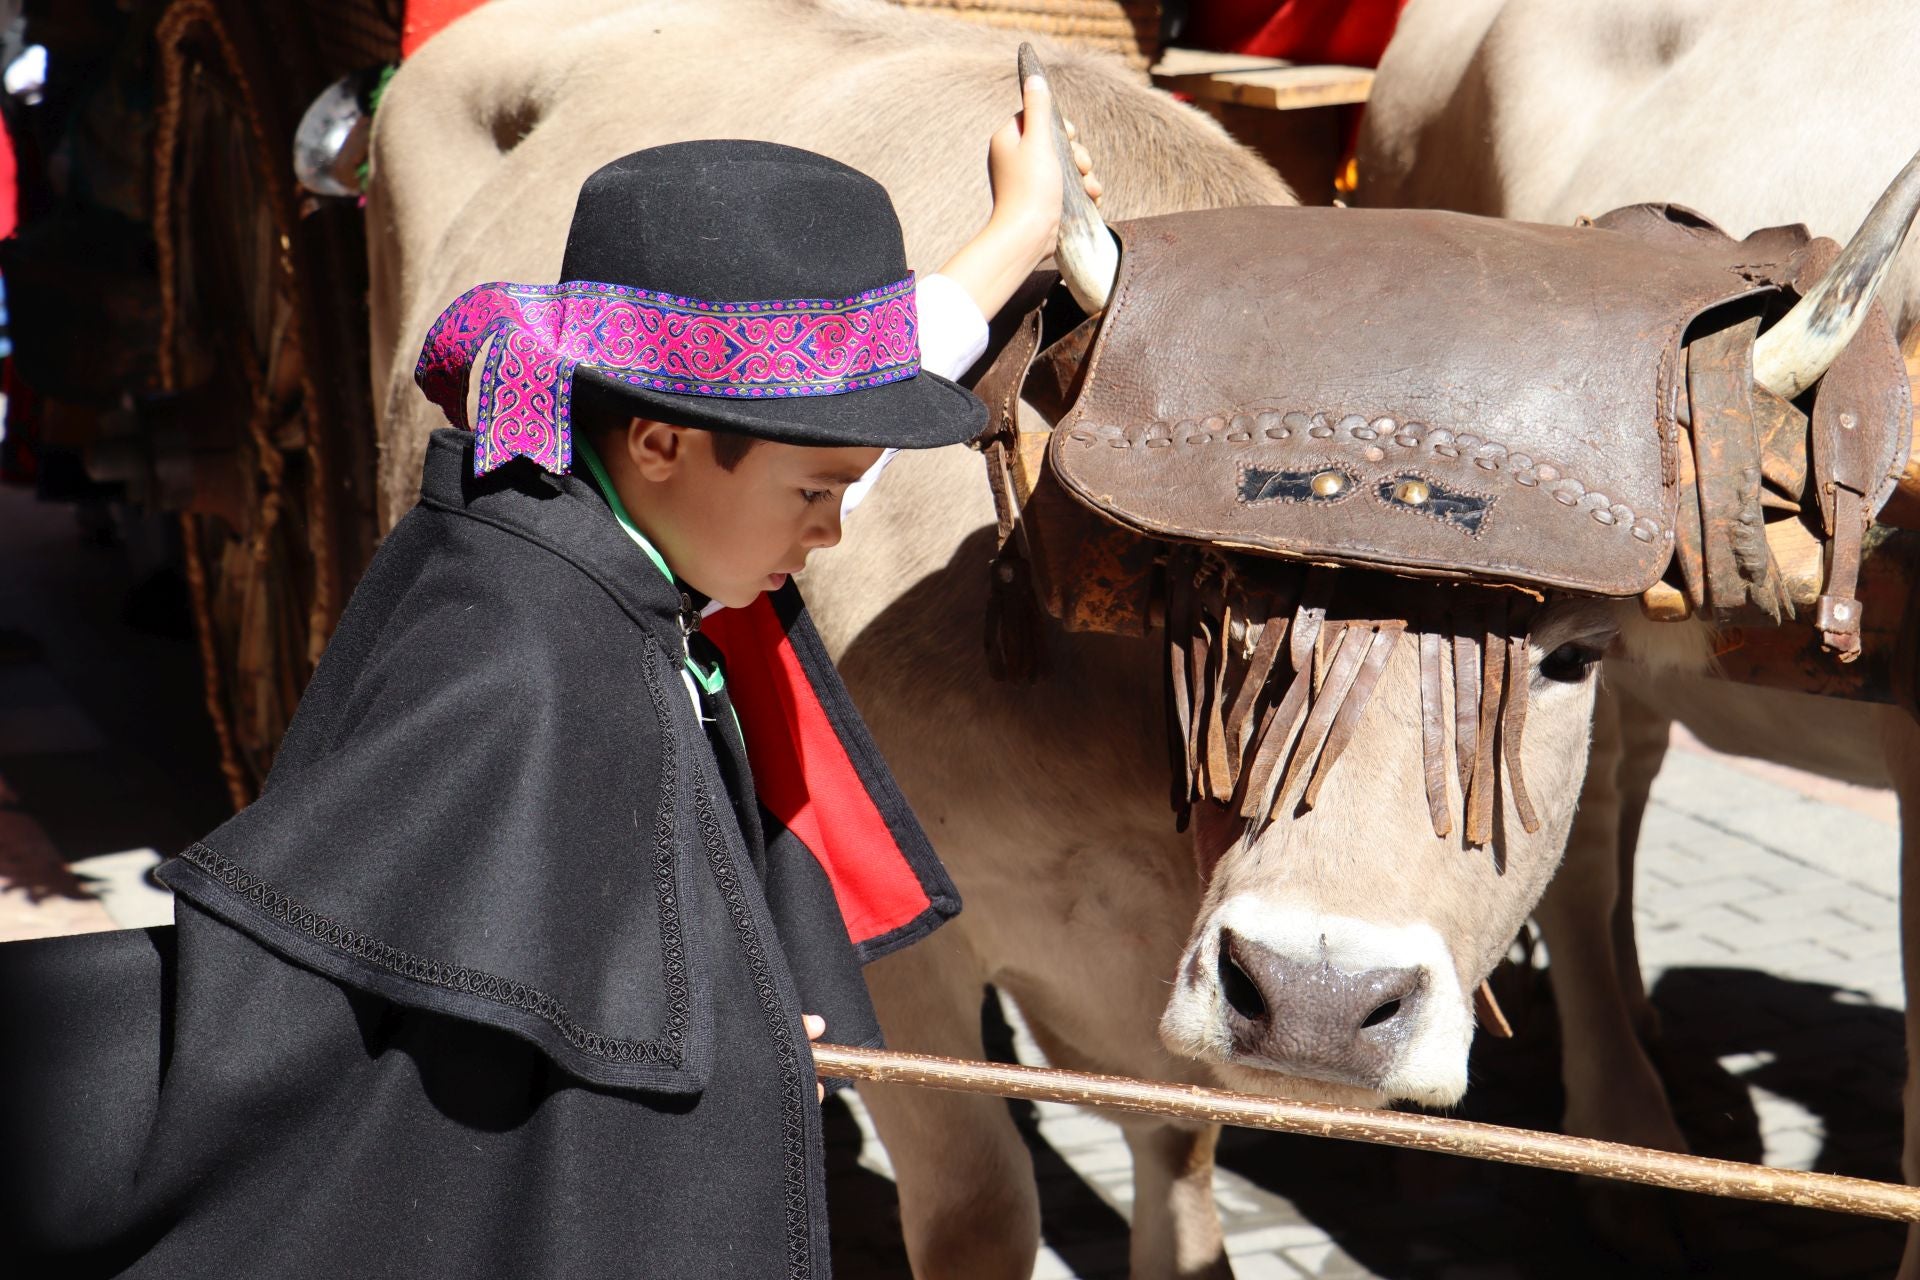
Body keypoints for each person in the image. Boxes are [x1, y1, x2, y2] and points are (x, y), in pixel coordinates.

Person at [0, 76, 1097, 1278]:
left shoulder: (596, 510)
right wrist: (722, 1045)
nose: (833, 529)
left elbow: (789, 447)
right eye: (816, 494)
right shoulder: (520, 663)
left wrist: (1016, 233)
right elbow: (374, 1014)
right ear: (662, 440)